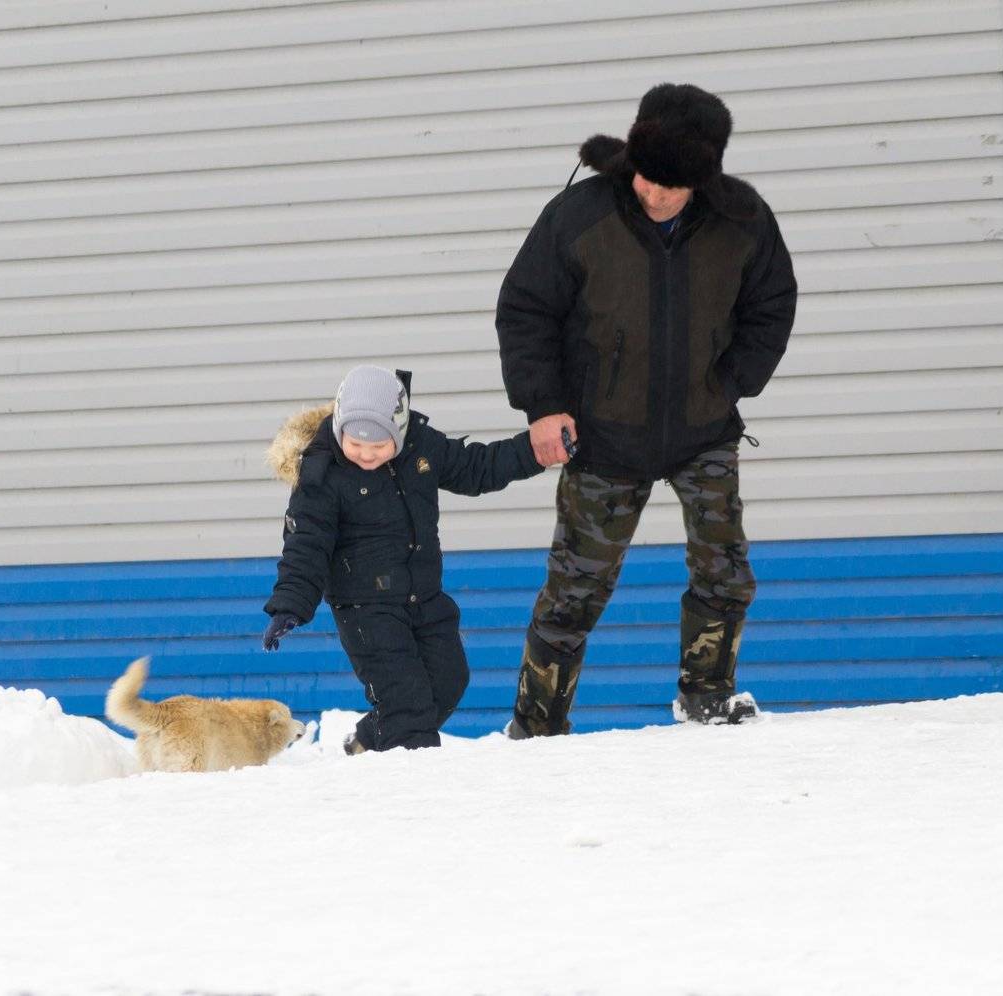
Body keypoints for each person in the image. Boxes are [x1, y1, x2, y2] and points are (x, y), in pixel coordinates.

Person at [496, 82, 798, 737]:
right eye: (645, 177)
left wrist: (732, 380)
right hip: (603, 436)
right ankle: (536, 726)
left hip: (703, 430)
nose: (653, 194)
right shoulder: (580, 215)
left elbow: (772, 304)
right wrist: (544, 407)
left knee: (725, 572)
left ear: (702, 180)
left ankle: (706, 697)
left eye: (671, 185)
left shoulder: (743, 222)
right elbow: (525, 310)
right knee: (575, 591)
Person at [261, 365, 546, 753]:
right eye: (355, 444)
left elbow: (476, 468)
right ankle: (412, 782)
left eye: (379, 445)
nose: (366, 454)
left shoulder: (420, 447)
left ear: (399, 430)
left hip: (424, 597)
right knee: (407, 709)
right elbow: (305, 545)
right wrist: (289, 605)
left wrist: (534, 450)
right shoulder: (322, 476)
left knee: (448, 681)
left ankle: (367, 741)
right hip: (367, 611)